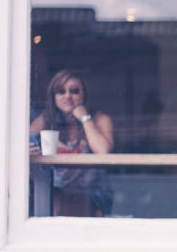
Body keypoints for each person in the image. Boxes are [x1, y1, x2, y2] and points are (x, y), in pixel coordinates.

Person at [29, 69, 114, 216]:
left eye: (74, 91)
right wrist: (29, 148)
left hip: (92, 194)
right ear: (54, 97)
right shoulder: (46, 119)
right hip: (56, 193)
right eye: (61, 91)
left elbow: (103, 151)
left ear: (84, 94)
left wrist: (85, 118)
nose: (67, 96)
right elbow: (23, 141)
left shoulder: (100, 119)